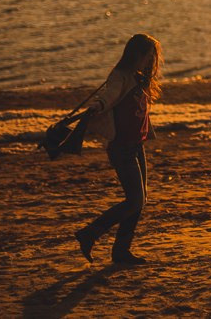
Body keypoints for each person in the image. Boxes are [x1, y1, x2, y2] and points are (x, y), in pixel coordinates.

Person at [74, 33, 162, 266]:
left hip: (136, 145)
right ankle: (90, 233)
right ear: (138, 54)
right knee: (134, 201)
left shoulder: (137, 77)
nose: (150, 61)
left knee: (139, 201)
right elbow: (108, 95)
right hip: (122, 148)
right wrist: (97, 106)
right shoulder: (120, 76)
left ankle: (121, 252)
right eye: (148, 56)